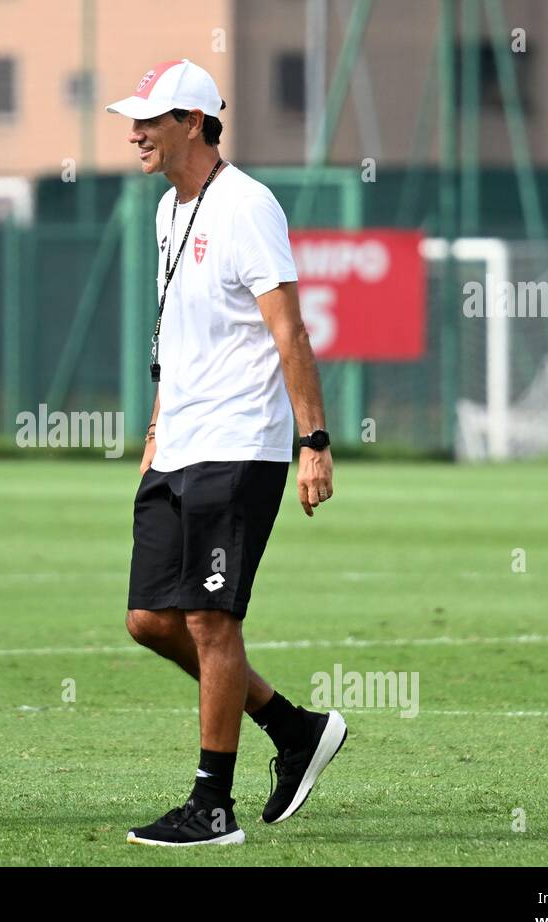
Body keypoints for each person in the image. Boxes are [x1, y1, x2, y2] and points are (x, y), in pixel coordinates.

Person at [105, 60, 345, 846]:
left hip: (241, 445)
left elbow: (291, 334)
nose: (134, 131)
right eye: (133, 118)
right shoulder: (168, 213)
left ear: (196, 121)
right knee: (149, 620)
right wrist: (152, 435)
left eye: (151, 117)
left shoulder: (248, 206)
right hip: (177, 443)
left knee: (210, 618)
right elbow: (175, 345)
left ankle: (213, 804)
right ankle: (293, 728)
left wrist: (314, 442)